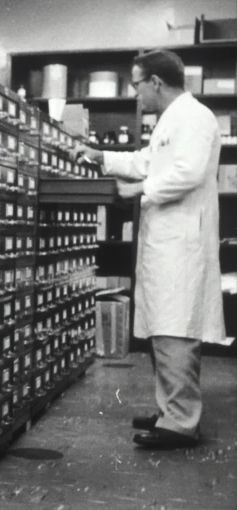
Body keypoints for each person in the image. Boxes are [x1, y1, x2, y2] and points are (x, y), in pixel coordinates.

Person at [72, 50, 226, 449]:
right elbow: (147, 160)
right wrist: (100, 156)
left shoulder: (195, 117)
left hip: (181, 243)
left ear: (156, 82)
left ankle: (180, 422)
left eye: (137, 84)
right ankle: (171, 410)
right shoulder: (170, 121)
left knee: (175, 329)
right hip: (166, 241)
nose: (136, 93)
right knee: (164, 329)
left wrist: (142, 188)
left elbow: (186, 172)